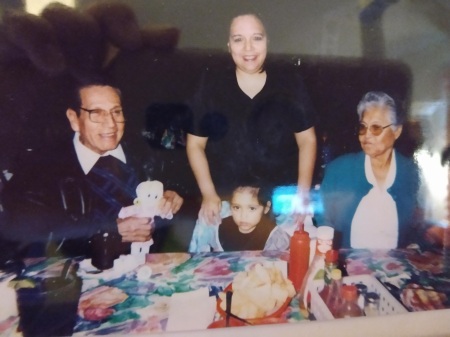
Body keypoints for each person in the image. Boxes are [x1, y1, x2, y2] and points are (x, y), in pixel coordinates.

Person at [1, 77, 183, 257]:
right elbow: (27, 230)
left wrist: (172, 197)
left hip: (150, 267)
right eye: (96, 113)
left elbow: (177, 203)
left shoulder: (146, 151)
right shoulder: (42, 167)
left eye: (116, 112)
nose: (111, 124)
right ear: (74, 119)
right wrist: (106, 232)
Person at [187, 13, 316, 228]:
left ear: (267, 41)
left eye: (256, 38)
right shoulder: (211, 85)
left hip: (280, 204)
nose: (248, 48)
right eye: (238, 39)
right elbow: (195, 145)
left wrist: (302, 195)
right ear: (229, 45)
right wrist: (209, 195)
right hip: (226, 203)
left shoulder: (289, 83)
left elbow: (307, 141)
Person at [319, 91, 425, 249]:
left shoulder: (411, 173)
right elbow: (324, 224)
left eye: (376, 128)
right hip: (348, 268)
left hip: (396, 269)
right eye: (363, 127)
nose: (366, 135)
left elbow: (420, 229)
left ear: (396, 131)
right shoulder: (339, 170)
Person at [189, 181, 289, 252]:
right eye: (237, 207)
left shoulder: (274, 237)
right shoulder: (217, 228)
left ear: (266, 208)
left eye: (252, 208)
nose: (243, 216)